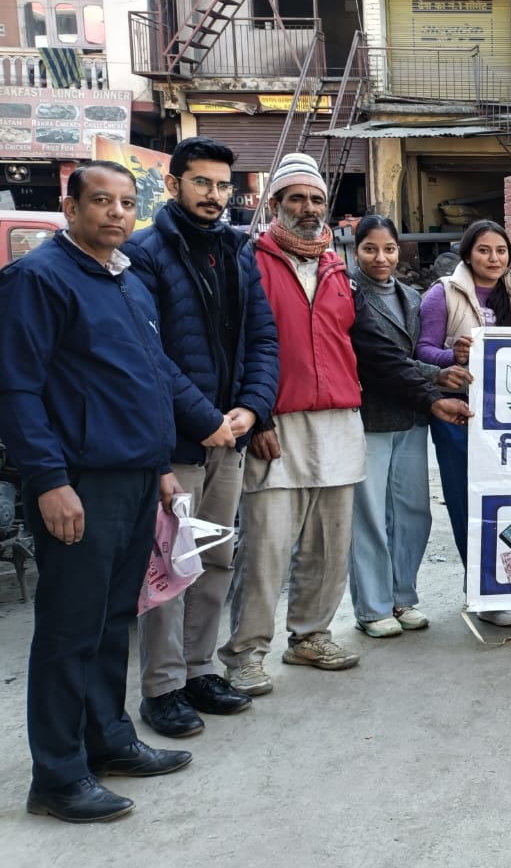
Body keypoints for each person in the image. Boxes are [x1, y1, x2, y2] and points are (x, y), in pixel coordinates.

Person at [0, 163, 196, 822]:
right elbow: (17, 388)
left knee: (114, 621)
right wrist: (49, 480)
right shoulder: (39, 279)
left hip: (136, 476)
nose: (116, 213)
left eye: (126, 203)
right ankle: (57, 777)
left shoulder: (126, 280)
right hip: (81, 481)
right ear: (70, 207)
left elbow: (148, 378)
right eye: (101, 201)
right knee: (70, 629)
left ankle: (107, 740)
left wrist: (161, 466)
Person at [123, 137, 279, 739]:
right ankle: (162, 687)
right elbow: (148, 354)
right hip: (179, 441)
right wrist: (205, 418)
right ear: (173, 185)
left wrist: (251, 408)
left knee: (214, 558)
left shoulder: (237, 251)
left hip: (229, 437)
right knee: (170, 563)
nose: (214, 196)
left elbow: (263, 339)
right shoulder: (144, 253)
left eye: (222, 185)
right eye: (201, 183)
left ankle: (197, 670)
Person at [219, 156, 369, 692]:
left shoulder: (335, 266)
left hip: (338, 421)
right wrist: (255, 414)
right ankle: (245, 653)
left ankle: (310, 635)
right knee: (265, 547)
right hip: (275, 421)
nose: (308, 208)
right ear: (276, 204)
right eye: (297, 198)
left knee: (330, 543)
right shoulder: (250, 261)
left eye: (316, 199)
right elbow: (236, 346)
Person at [349, 215, 469, 638]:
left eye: (388, 249)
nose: (380, 258)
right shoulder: (348, 293)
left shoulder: (411, 296)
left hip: (413, 416)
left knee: (412, 512)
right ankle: (372, 607)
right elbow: (379, 360)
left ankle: (403, 597)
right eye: (370, 249)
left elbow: (417, 353)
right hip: (371, 417)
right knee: (370, 515)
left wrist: (447, 367)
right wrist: (437, 379)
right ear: (356, 250)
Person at [416, 218, 511, 629]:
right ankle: (481, 592)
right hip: (459, 414)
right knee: (468, 503)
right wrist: (455, 356)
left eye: (501, 251)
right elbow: (422, 351)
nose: (493, 258)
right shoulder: (442, 293)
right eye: (484, 250)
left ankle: (507, 584)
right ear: (467, 254)